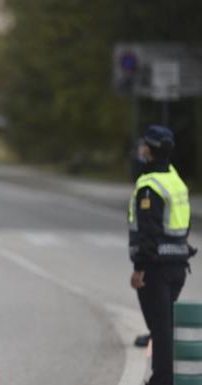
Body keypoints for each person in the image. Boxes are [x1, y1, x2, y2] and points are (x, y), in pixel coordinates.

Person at [128, 124, 196, 385]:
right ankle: (164, 377)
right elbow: (185, 224)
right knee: (164, 325)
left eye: (144, 144)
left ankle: (163, 380)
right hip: (178, 265)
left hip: (155, 268)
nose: (141, 149)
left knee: (160, 327)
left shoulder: (149, 185)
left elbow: (148, 232)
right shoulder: (175, 180)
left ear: (151, 150)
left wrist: (139, 269)